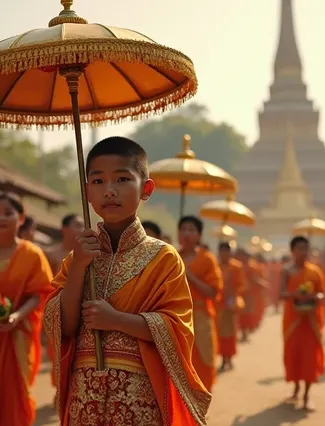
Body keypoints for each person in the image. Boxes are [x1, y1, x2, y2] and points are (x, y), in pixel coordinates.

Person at [43, 137, 211, 425]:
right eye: (98, 182)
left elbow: (177, 328)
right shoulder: (78, 257)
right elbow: (63, 326)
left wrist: (117, 320)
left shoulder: (163, 258)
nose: (109, 191)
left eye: (122, 179)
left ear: (146, 189)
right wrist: (78, 269)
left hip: (138, 398)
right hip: (85, 397)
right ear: (87, 192)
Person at [0, 193, 54, 425]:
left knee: (18, 395)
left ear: (21, 218)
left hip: (18, 335)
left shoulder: (32, 254)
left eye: (8, 213)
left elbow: (39, 294)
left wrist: (15, 316)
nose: (1, 218)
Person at [177, 215, 222, 393]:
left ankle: (200, 407)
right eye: (183, 229)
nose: (187, 233)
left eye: (192, 230)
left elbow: (212, 291)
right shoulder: (171, 256)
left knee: (203, 361)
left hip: (201, 319)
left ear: (199, 236)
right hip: (177, 318)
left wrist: (190, 276)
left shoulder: (207, 259)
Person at [280, 236, 325, 411]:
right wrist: (297, 294)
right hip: (293, 321)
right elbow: (282, 294)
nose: (303, 252)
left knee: (309, 357)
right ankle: (296, 388)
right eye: (299, 249)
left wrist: (313, 297)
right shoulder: (287, 271)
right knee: (294, 355)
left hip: (311, 321)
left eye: (306, 249)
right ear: (292, 251)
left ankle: (307, 395)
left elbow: (322, 294)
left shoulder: (315, 272)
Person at [44, 213, 85, 393]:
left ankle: (71, 389)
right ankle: (60, 389)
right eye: (77, 225)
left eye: (82, 225)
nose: (81, 229)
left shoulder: (85, 255)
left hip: (78, 310)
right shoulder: (51, 255)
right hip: (56, 311)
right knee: (57, 354)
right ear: (64, 229)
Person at [216, 242, 245, 371]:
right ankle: (223, 358)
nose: (223, 254)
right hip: (218, 305)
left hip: (231, 304)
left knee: (231, 332)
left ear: (229, 252)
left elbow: (241, 285)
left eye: (226, 251)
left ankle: (229, 357)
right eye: (221, 251)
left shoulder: (236, 267)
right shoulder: (216, 266)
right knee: (220, 332)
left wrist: (232, 293)